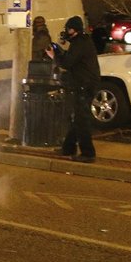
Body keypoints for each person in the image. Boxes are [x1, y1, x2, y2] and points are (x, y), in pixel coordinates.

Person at [46, 15, 101, 163]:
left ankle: (88, 153)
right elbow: (71, 58)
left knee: (81, 119)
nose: (66, 31)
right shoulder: (81, 41)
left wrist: (54, 56)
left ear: (74, 30)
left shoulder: (80, 43)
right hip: (84, 83)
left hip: (85, 85)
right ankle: (68, 148)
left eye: (68, 29)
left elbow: (67, 63)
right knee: (77, 117)